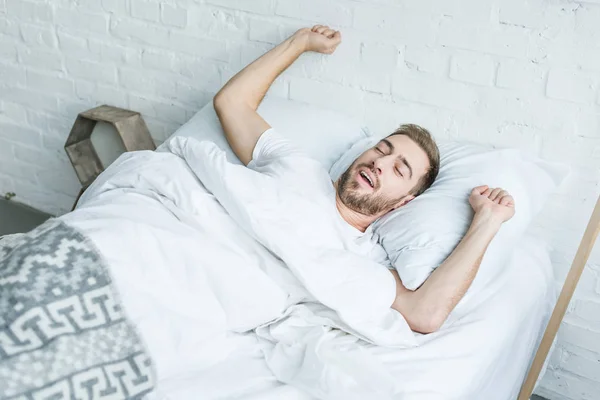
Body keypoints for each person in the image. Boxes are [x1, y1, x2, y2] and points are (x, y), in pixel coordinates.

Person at [213, 25, 515, 334]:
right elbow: (231, 102)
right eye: (382, 149)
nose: (380, 162)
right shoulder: (297, 164)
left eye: (400, 170)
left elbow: (425, 313)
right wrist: (299, 43)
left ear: (404, 201)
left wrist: (487, 222)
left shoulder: (365, 256)